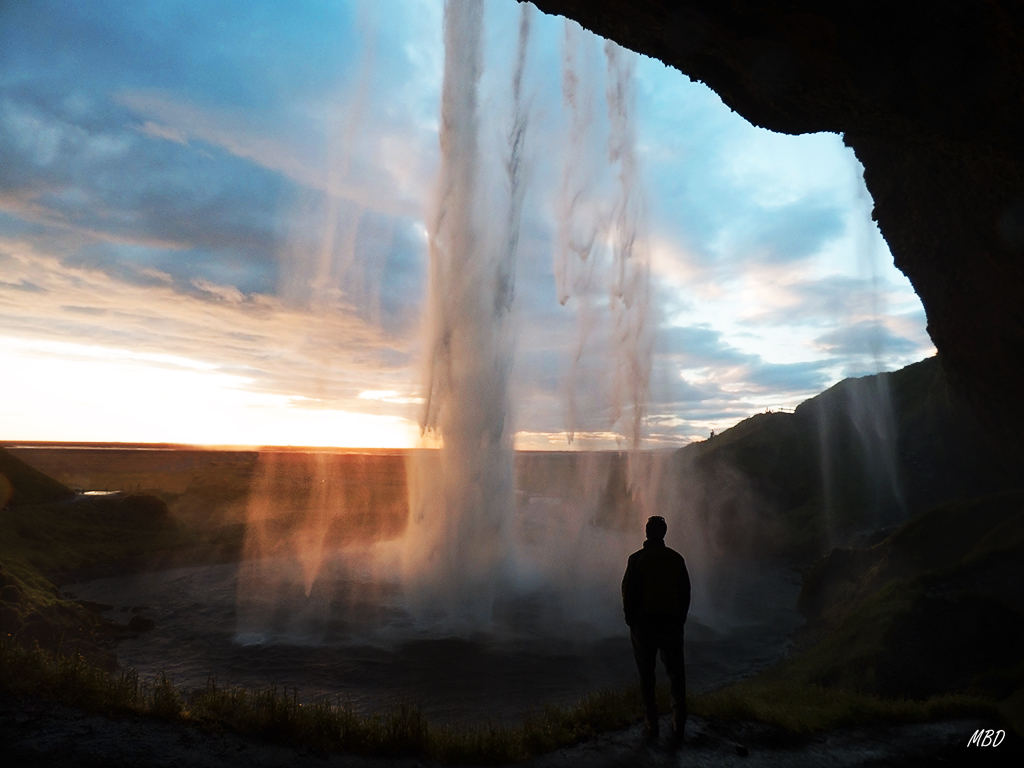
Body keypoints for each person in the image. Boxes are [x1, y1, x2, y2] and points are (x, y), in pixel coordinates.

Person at [621, 515, 691, 744]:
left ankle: (651, 720)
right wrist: (680, 619)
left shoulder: (637, 559)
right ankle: (679, 719)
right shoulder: (675, 558)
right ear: (664, 533)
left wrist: (631, 619)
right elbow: (685, 592)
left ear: (647, 532)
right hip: (671, 623)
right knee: (676, 672)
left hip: (645, 625)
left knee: (646, 672)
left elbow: (628, 591)